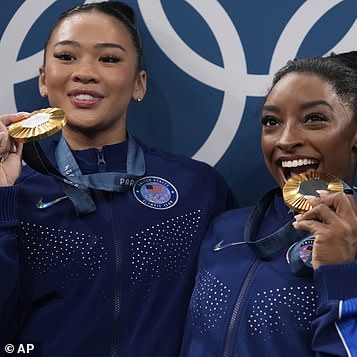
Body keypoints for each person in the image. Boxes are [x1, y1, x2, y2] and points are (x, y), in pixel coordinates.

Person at [0, 2, 235, 356]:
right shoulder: (15, 189)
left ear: (139, 84)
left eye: (108, 59)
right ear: (43, 79)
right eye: (66, 56)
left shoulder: (197, 188)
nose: (85, 72)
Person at [179, 51, 357, 356]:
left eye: (314, 119)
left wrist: (340, 274)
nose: (285, 140)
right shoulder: (224, 230)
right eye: (272, 121)